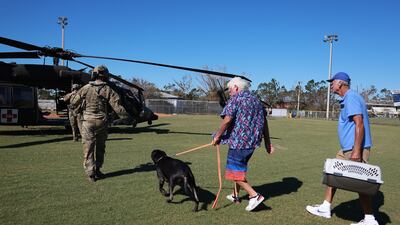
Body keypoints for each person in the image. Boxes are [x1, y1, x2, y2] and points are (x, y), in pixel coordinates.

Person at [306, 72, 378, 225]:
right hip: (347, 148)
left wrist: (356, 151)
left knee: (361, 183)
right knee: (333, 173)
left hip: (355, 148)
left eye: (332, 82)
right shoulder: (347, 98)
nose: (331, 85)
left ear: (340, 83)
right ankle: (325, 207)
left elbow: (359, 123)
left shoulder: (351, 97)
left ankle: (370, 219)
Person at [212, 77, 274, 212]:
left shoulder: (235, 100)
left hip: (239, 143)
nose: (228, 92)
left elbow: (227, 120)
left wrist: (217, 135)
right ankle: (235, 195)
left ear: (235, 87)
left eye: (229, 89)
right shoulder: (257, 101)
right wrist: (268, 144)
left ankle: (254, 196)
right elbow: (265, 124)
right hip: (252, 144)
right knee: (239, 169)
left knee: (233, 173)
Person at [70, 65, 130, 182]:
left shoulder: (86, 88)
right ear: (106, 75)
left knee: (88, 148)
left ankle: (90, 173)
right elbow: (118, 108)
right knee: (100, 147)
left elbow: (73, 102)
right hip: (102, 122)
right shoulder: (108, 89)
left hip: (88, 122)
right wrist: (128, 117)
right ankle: (98, 169)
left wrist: (78, 109)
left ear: (94, 74)